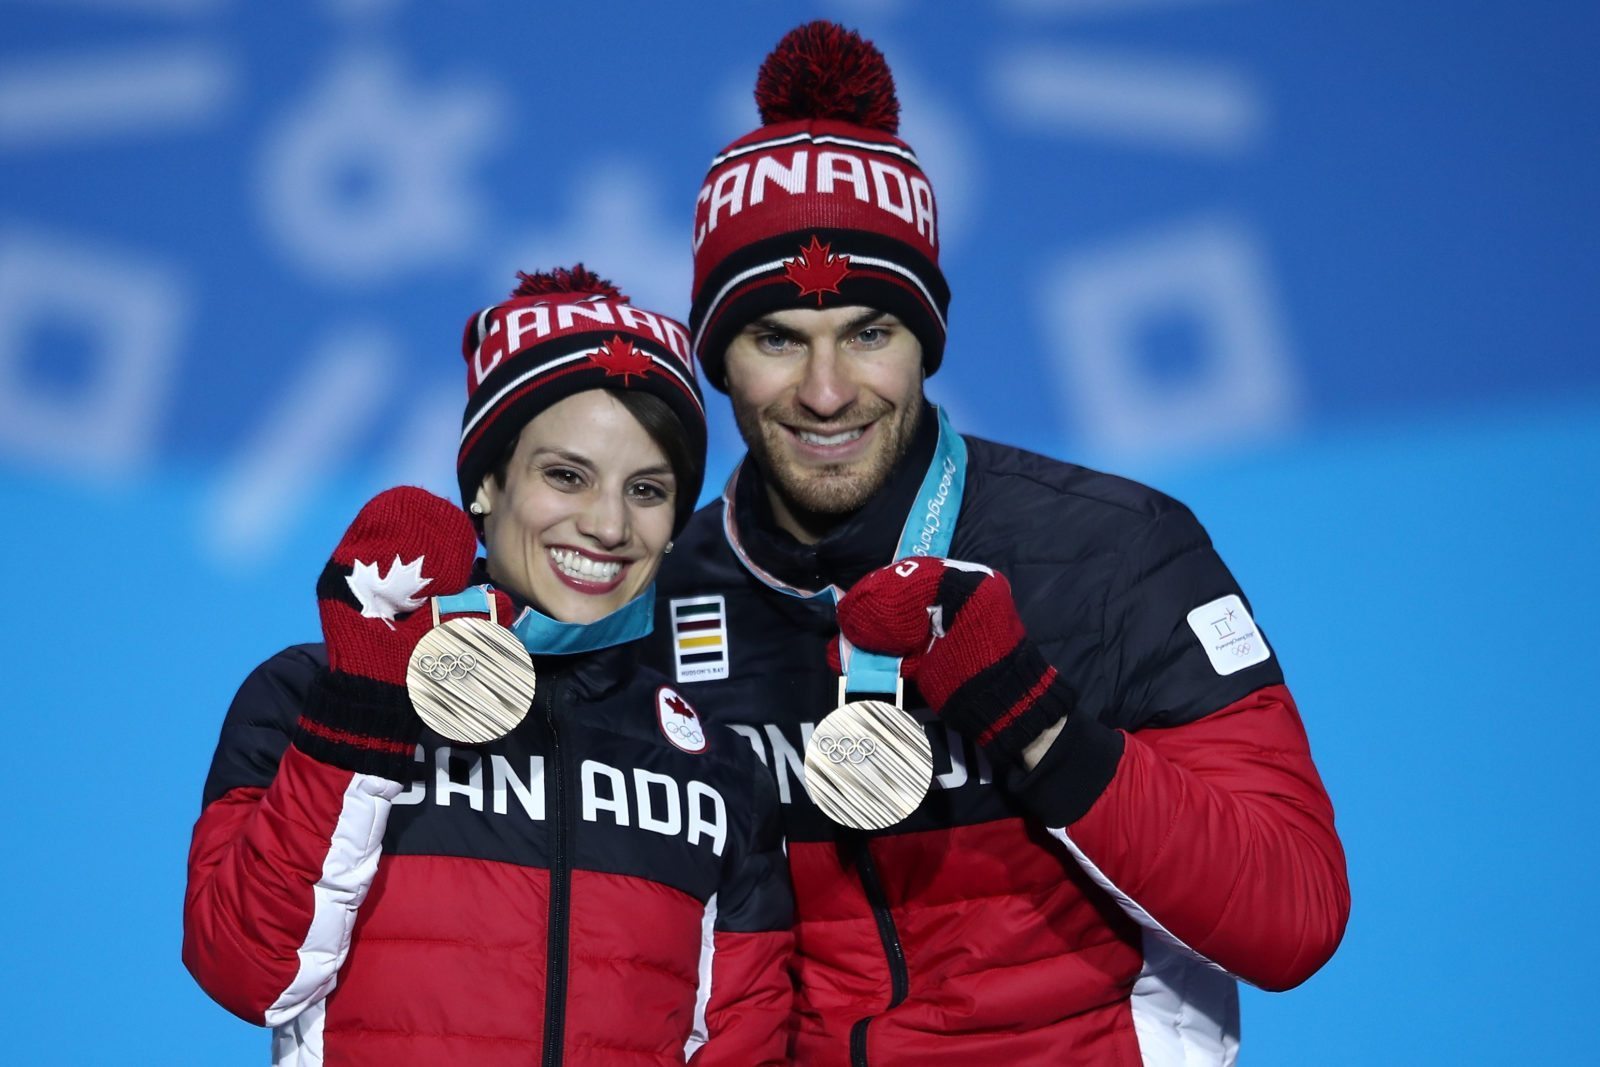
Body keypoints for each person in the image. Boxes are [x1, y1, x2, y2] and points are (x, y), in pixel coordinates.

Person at [642, 21, 1350, 1065]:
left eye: (869, 334)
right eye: (777, 339)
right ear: (718, 360)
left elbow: (1292, 912)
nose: (827, 391)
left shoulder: (1113, 550)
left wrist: (1032, 716)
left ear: (926, 339)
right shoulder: (663, 595)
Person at [184, 267, 795, 1066]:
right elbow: (244, 970)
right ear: (484, 483)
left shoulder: (718, 766)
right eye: (565, 476)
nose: (607, 523)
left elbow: (742, 1048)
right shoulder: (306, 694)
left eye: (647, 489)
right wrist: (363, 704)